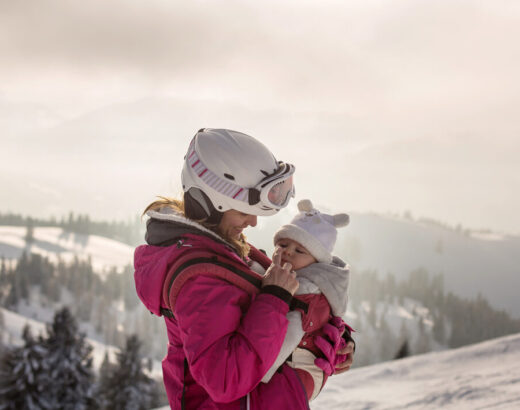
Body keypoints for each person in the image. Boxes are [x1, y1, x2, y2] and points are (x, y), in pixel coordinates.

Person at [134, 128, 352, 409]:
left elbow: (283, 311)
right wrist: (274, 296)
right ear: (209, 207)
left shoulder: (225, 249)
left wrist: (330, 337)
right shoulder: (200, 282)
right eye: (243, 212)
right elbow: (226, 380)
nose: (253, 223)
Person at [261, 199, 354, 401]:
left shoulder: (305, 288)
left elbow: (292, 332)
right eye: (284, 244)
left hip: (298, 372)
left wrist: (259, 373)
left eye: (299, 251)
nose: (287, 252)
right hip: (298, 371)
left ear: (316, 261)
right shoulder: (293, 274)